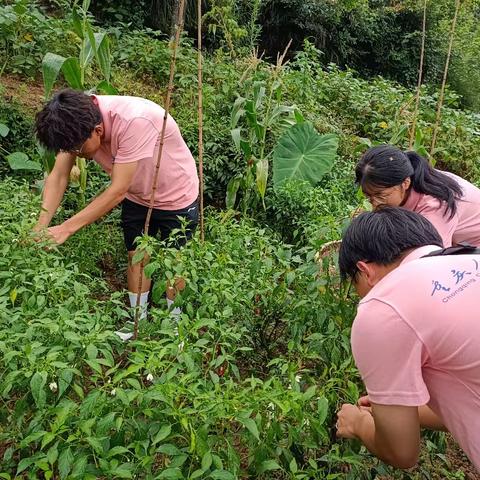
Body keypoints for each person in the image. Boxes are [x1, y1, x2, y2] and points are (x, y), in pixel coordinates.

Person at [35, 89, 199, 339]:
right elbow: (58, 176)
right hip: (137, 194)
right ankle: (137, 324)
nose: (76, 155)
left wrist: (65, 229)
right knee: (137, 257)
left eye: (78, 150)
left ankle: (176, 330)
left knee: (174, 263)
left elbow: (118, 189)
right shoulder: (75, 123)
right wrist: (41, 227)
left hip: (175, 195)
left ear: (98, 130)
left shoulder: (135, 120)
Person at [335, 206, 480, 471]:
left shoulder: (382, 306)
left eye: (355, 287)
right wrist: (400, 410)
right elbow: (465, 401)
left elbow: (402, 454)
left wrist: (358, 423)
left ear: (364, 271)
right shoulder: (471, 255)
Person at [356, 145, 480, 247]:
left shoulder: (434, 205)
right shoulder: (413, 177)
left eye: (380, 195)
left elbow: (434, 257)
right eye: (369, 197)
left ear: (405, 183)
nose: (375, 204)